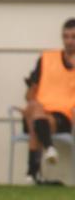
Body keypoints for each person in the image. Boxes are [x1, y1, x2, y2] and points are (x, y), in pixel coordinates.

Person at [21, 18, 75, 183]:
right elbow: (31, 92)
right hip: (41, 111)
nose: (69, 41)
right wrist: (32, 102)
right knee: (34, 107)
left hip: (63, 115)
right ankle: (49, 148)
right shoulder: (46, 58)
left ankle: (32, 173)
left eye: (73, 37)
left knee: (36, 120)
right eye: (65, 37)